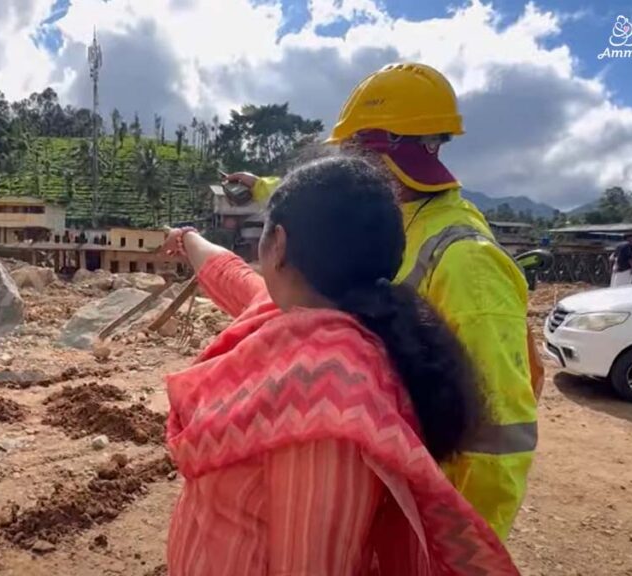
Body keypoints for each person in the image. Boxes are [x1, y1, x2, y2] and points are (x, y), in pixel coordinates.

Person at [223, 62, 538, 541]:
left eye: (352, 152)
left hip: (432, 513)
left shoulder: (466, 261)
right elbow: (330, 202)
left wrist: (460, 548)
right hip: (391, 484)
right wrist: (262, 187)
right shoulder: (401, 213)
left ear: (382, 155)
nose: (347, 164)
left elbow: (500, 438)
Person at [163, 156, 516, 575]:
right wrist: (187, 239)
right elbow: (229, 272)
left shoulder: (328, 396)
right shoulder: (297, 315)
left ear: (278, 243)